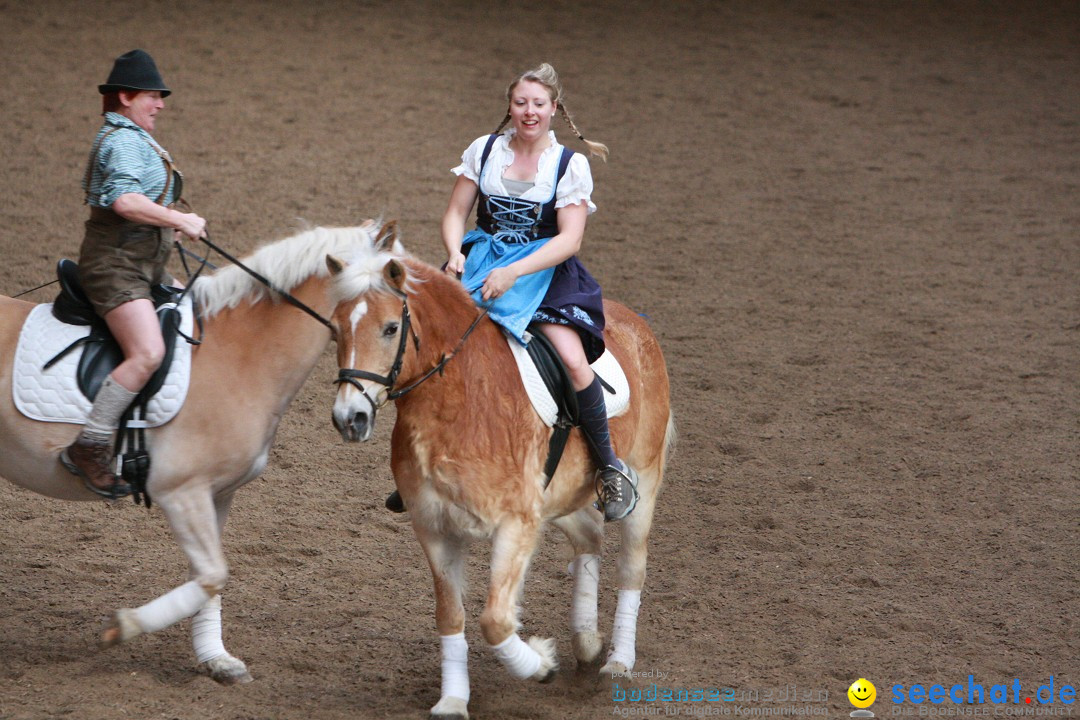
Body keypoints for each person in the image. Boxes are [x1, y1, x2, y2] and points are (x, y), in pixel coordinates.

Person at [391, 62, 638, 521]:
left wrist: (515, 272)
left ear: (554, 109)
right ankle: (417, 463)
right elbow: (454, 213)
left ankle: (609, 468)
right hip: (480, 263)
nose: (529, 112)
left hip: (543, 272)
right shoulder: (484, 150)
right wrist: (454, 251)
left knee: (571, 358)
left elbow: (570, 239)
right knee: (423, 342)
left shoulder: (569, 165)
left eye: (538, 104)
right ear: (510, 105)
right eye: (521, 102)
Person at [60, 49, 207, 499]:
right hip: (115, 270)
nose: (160, 104)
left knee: (197, 311)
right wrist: (178, 220)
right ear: (125, 96)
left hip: (145, 264)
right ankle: (90, 444)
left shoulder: (133, 136)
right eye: (152, 96)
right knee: (146, 352)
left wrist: (167, 230)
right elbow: (124, 202)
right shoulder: (123, 141)